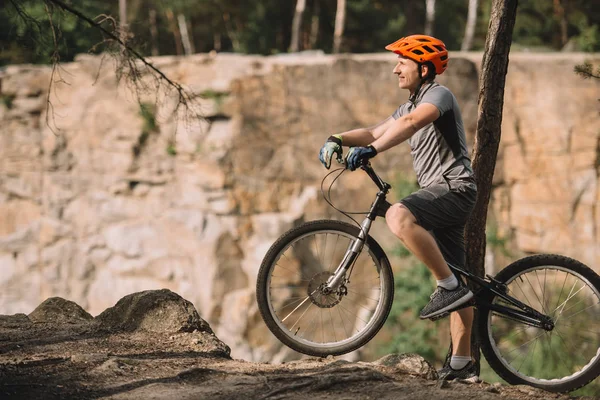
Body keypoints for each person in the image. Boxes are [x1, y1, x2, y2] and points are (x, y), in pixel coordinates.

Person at [318, 34, 478, 381]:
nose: (395, 70)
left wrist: (374, 151)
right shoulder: (407, 105)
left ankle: (447, 286)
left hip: (454, 189)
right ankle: (462, 365)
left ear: (423, 68)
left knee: (397, 214)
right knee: (461, 280)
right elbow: (377, 129)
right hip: (443, 194)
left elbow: (411, 125)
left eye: (402, 63)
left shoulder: (439, 95)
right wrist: (339, 138)